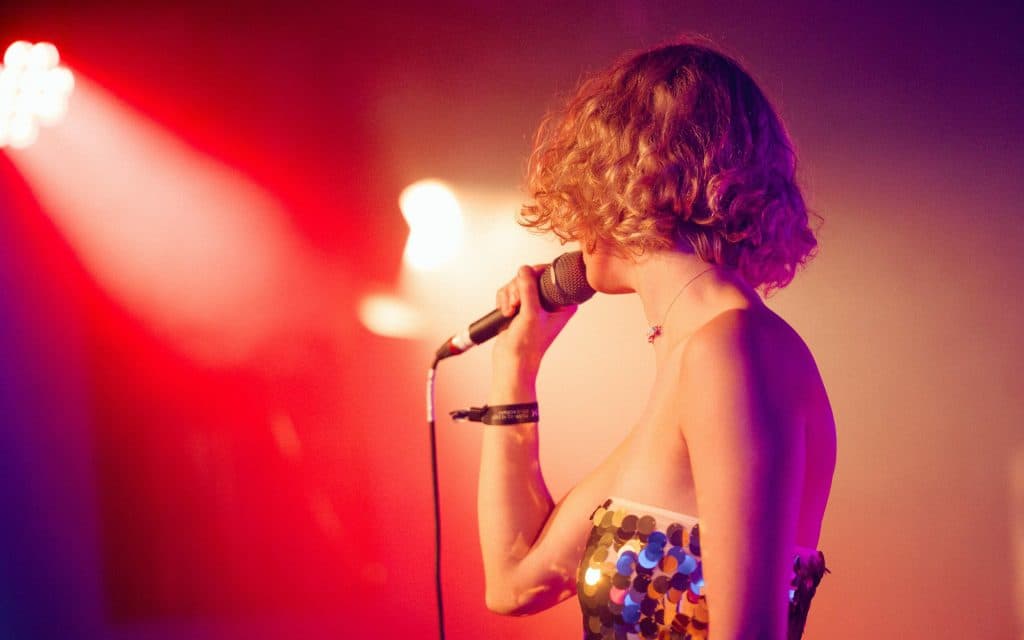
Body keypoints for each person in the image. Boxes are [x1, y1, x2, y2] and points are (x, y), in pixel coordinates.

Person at [476, 38, 836, 640]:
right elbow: (514, 581)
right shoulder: (701, 359)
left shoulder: (733, 351)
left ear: (622, 178)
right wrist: (516, 364)